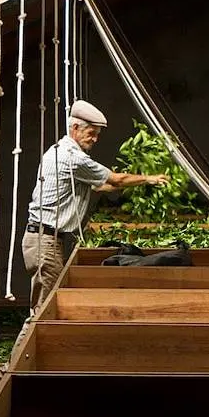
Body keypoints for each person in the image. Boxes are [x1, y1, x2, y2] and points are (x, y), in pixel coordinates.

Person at [21, 100, 168, 308]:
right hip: (44, 241)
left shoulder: (58, 151)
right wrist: (149, 179)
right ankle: (24, 342)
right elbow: (115, 179)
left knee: (45, 306)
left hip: (44, 239)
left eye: (97, 134)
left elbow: (100, 187)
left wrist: (134, 186)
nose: (95, 139)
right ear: (74, 128)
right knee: (45, 311)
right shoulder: (73, 158)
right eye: (91, 133)